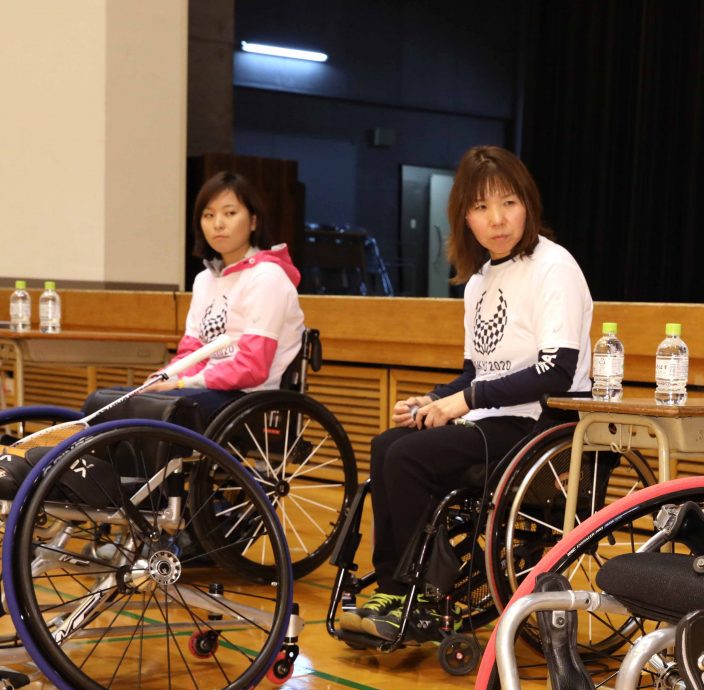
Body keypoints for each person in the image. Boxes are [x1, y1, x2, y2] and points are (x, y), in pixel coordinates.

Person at [342, 145, 593, 640]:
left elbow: (556, 370)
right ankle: (395, 589)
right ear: (465, 219)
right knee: (387, 444)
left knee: (409, 457)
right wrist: (433, 399)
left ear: (528, 203)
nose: (496, 219)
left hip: (540, 424)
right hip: (493, 418)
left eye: (507, 203)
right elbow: (475, 371)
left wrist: (466, 400)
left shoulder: (554, 266)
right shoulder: (478, 281)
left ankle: (420, 593)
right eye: (480, 208)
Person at [84, 170, 305, 426]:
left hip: (249, 396)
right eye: (209, 215)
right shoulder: (205, 280)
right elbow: (191, 352)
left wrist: (181, 383)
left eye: (230, 213)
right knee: (102, 403)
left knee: (161, 413)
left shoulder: (268, 276)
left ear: (253, 221)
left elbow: (252, 367)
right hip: (205, 389)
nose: (218, 224)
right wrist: (163, 378)